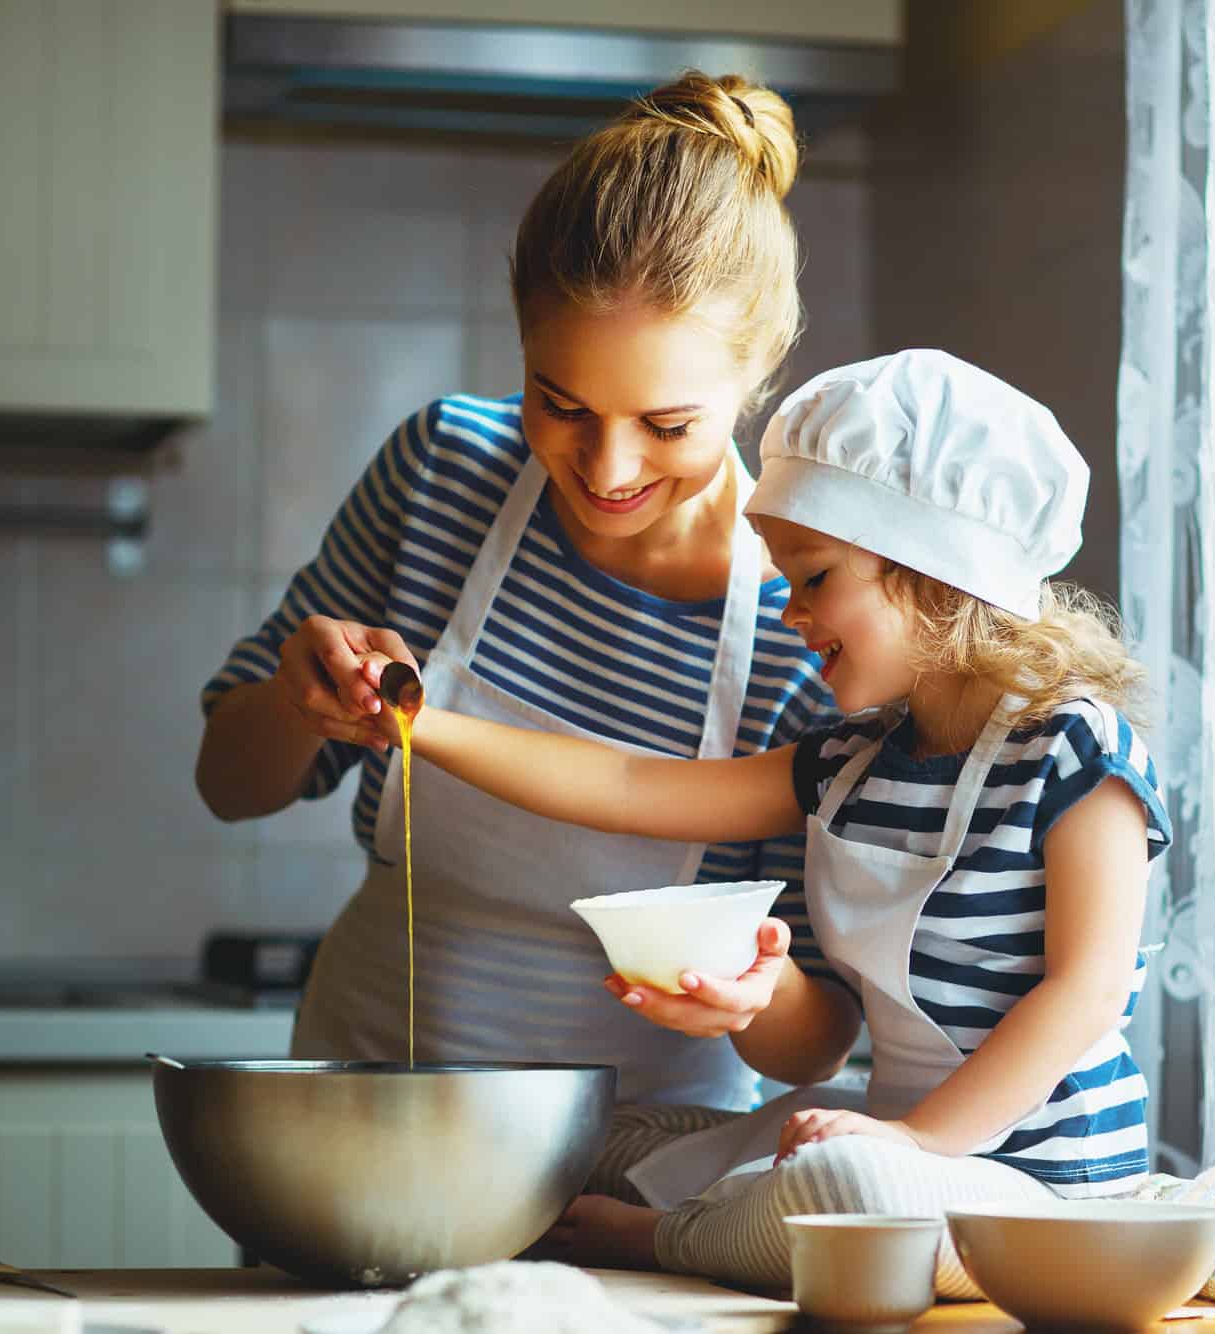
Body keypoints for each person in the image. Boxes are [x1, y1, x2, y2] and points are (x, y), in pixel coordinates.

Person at [387, 349, 1174, 1297]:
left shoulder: (1076, 753)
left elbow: (1085, 994)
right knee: (605, 1131)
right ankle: (718, 1211)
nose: (792, 613)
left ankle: (661, 1239)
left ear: (930, 569)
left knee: (852, 1183)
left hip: (1040, 1195)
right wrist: (417, 723)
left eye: (814, 579)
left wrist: (918, 1141)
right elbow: (633, 785)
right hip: (892, 1146)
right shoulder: (850, 763)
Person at [194, 72, 854, 1180]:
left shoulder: (805, 611)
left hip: (637, 1173)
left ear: (756, 374)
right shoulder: (440, 472)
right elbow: (230, 781)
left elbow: (817, 1033)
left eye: (667, 423)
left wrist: (752, 993)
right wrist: (295, 702)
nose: (607, 468)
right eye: (561, 403)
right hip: (359, 1129)